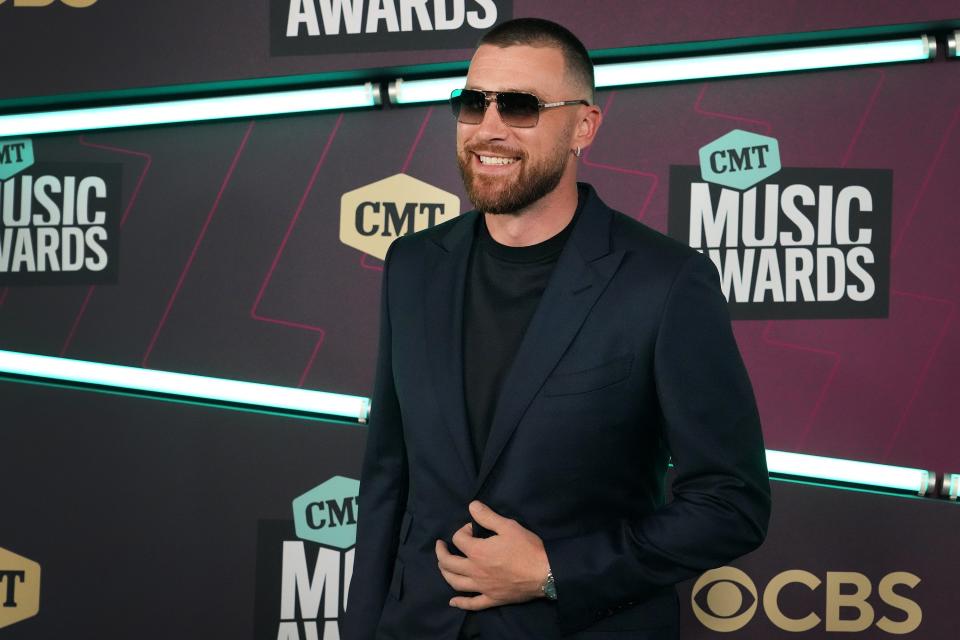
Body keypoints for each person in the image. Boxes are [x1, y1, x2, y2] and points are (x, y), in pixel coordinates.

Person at [343, 17, 771, 640]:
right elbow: (387, 479)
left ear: (584, 127)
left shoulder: (666, 283)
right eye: (472, 103)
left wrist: (553, 570)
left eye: (519, 106)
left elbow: (731, 504)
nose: (489, 128)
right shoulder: (413, 265)